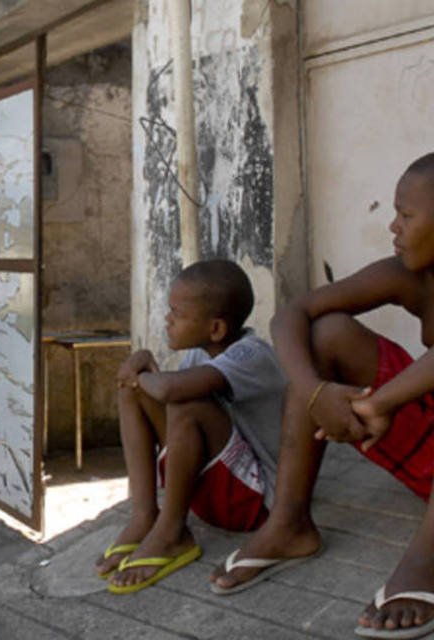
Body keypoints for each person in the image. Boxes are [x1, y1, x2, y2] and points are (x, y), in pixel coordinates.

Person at [208, 153, 434, 638]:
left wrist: (379, 403)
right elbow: (293, 312)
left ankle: (425, 561)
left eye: (407, 216)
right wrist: (315, 394)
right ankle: (289, 525)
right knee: (325, 334)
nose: (393, 227)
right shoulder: (407, 275)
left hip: (392, 422)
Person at [96, 259, 285, 594]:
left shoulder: (251, 355)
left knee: (187, 405)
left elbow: (171, 391)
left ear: (216, 329)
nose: (167, 320)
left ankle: (172, 534)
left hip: (258, 504)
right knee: (134, 393)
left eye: (177, 314)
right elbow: (161, 389)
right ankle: (144, 517)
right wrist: (139, 377)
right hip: (216, 489)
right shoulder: (199, 355)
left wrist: (141, 369)